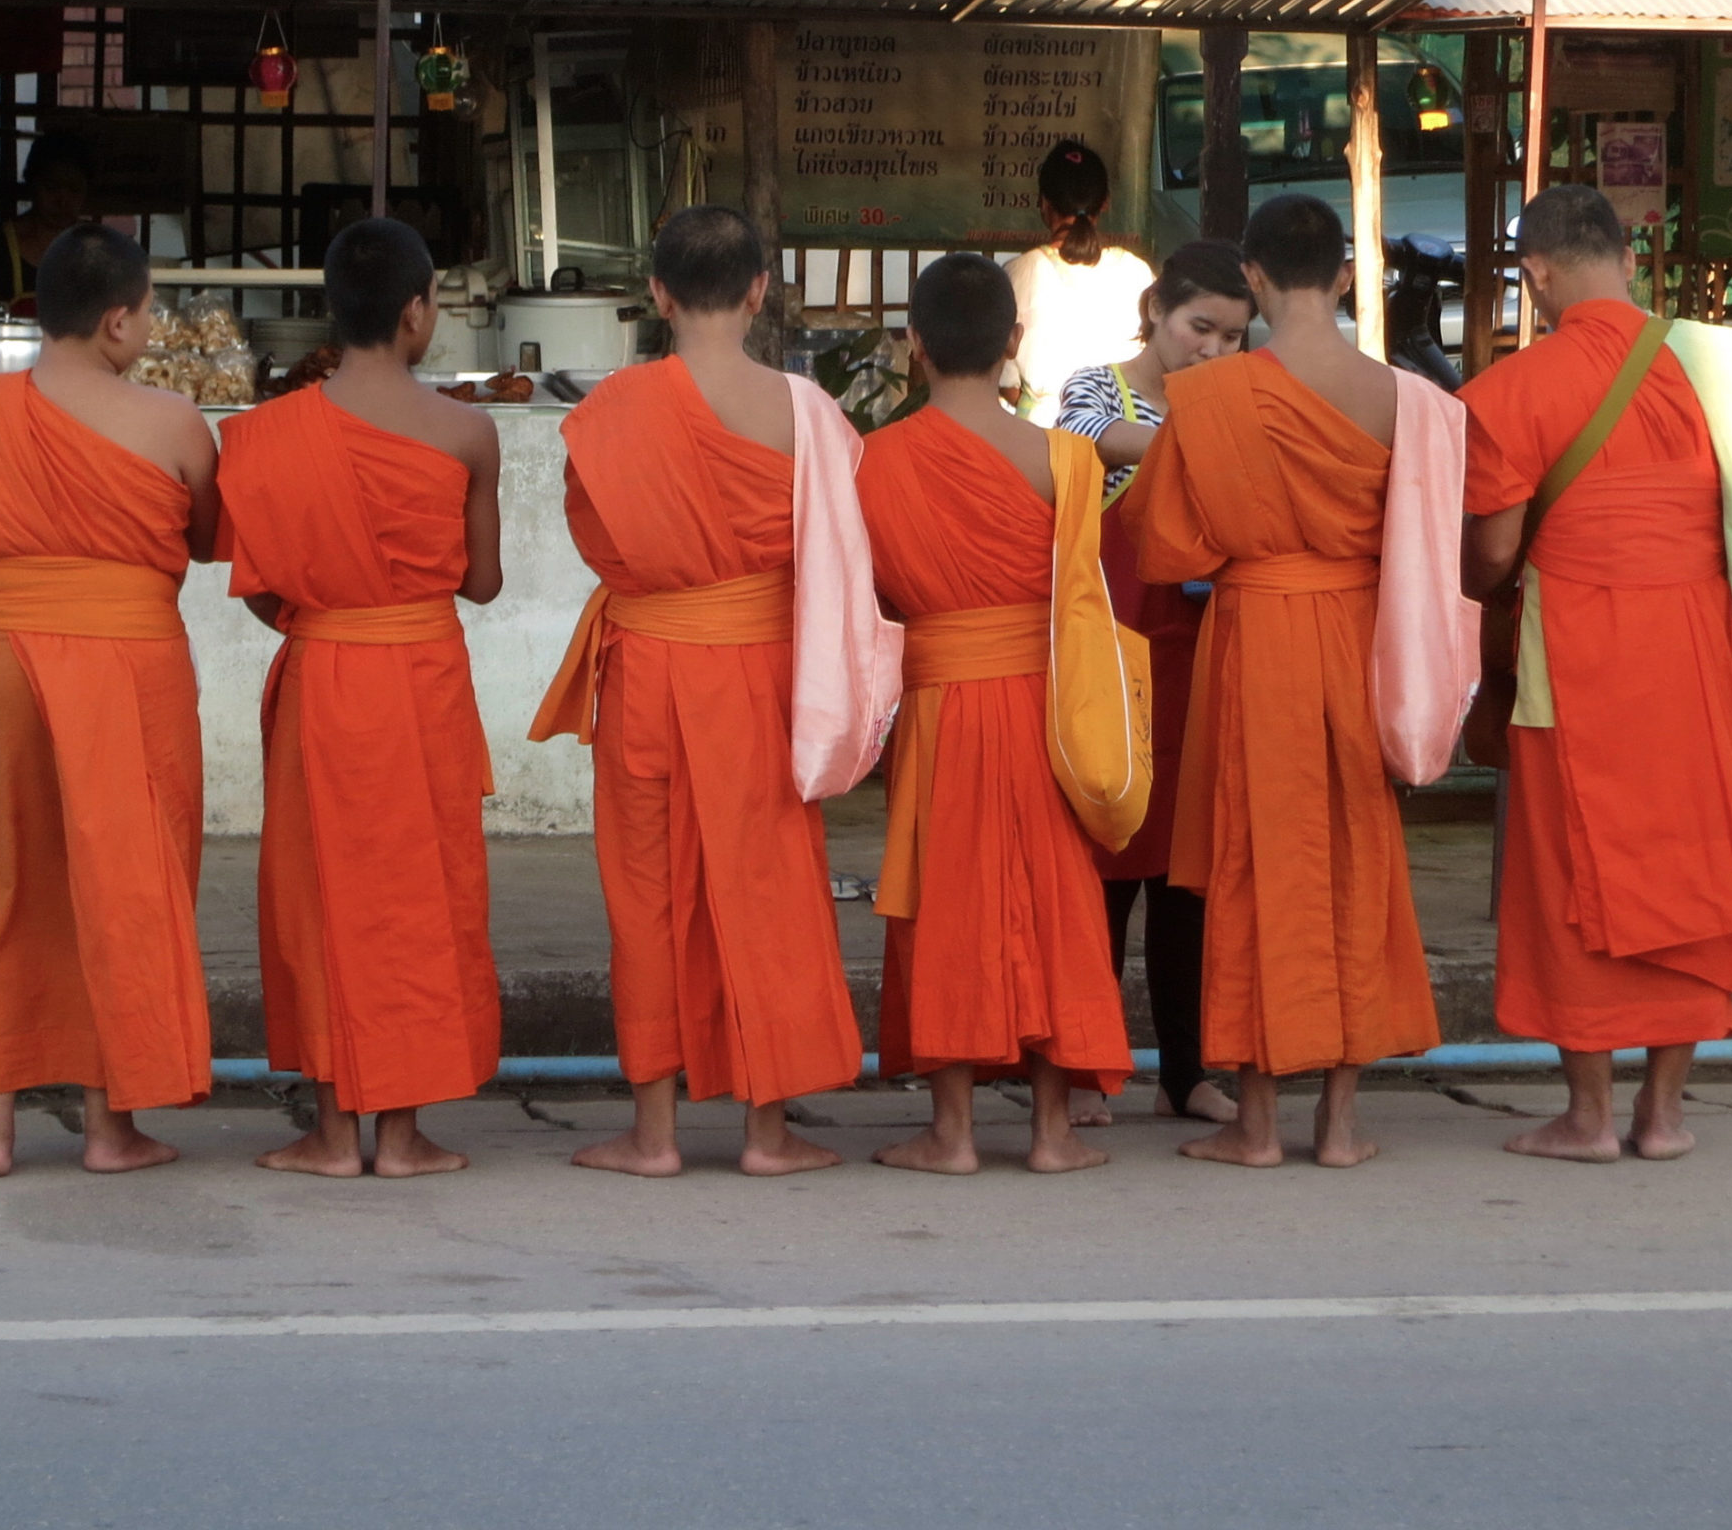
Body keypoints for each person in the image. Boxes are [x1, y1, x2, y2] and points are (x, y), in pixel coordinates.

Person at [529, 204, 889, 1178]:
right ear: (759, 292)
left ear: (654, 294)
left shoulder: (610, 416)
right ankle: (768, 1133)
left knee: (644, 890)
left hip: (647, 668)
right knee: (765, 881)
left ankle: (653, 1135)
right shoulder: (807, 412)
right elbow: (851, 543)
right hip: (762, 676)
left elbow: (598, 544)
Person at [1119, 194, 1447, 1168]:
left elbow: (1160, 538)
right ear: (1344, 277)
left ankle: (1256, 1127)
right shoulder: (1403, 398)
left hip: (1254, 636)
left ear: (1252, 279)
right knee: (1351, 862)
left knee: (1254, 867)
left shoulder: (1211, 399)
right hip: (1353, 637)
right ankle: (1339, 1127)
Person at [1457, 184, 1732, 1163]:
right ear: (1629, 261)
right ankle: (1662, 1115)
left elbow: (1493, 561)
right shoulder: (1712, 365)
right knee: (1694, 862)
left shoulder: (1512, 390)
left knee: (1571, 874)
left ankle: (1589, 1116)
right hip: (1691, 651)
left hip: (1577, 658)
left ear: (1537, 273)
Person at [0, 223, 220, 1176]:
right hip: (132, 661)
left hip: (4, 657)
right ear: (121, 321)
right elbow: (207, 539)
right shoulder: (173, 423)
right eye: (151, 312)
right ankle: (110, 1127)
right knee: (127, 878)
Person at [217, 217, 504, 1180]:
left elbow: (260, 584)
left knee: (321, 894)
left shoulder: (259, 435)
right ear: (420, 313)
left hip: (322, 677)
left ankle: (333, 1134)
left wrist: (332, 616)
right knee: (419, 897)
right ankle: (405, 1135)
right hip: (421, 675)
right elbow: (483, 582)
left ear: (329, 315)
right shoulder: (467, 432)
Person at [859, 253, 1136, 1174]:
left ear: (915, 345)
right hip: (1045, 708)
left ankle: (953, 1132)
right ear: (1014, 344)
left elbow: (872, 600)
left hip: (938, 709)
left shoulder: (876, 464)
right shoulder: (1066, 457)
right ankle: (1053, 1134)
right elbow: (1083, 599)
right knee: (1053, 898)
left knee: (946, 900)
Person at [1054, 240, 1254, 1128]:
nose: (1212, 350)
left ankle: (1187, 1071)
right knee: (1101, 872)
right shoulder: (1097, 386)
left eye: (1232, 337)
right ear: (1154, 315)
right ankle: (1089, 1068)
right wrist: (1211, 425)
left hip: (1200, 649)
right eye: (1198, 328)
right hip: (1112, 649)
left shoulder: (1237, 398)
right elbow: (1092, 447)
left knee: (1186, 881)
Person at [1002, 140, 1156, 427]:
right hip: (1125, 438)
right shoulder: (1137, 272)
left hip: (1047, 440)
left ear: (1044, 204)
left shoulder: (1017, 273)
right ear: (1106, 202)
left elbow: (1005, 383)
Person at [0, 133, 94, 315]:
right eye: (51, 187)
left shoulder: (102, 251)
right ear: (32, 184)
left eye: (74, 190)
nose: (62, 201)